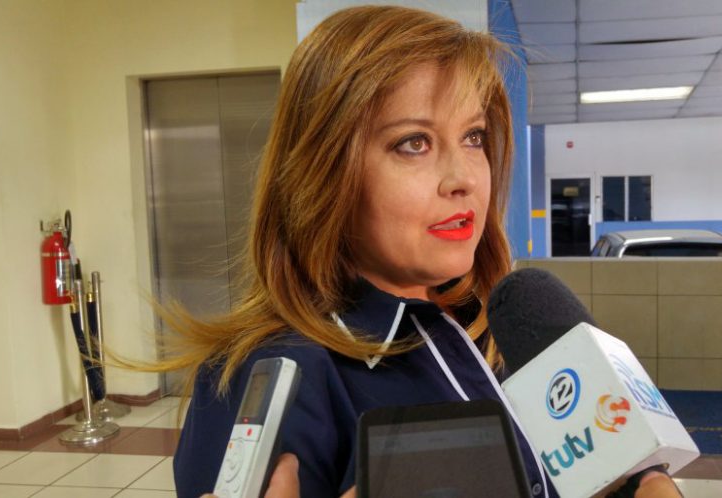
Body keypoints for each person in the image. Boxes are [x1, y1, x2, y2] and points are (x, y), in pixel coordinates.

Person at [169, 6, 680, 498]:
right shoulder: (271, 379)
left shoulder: (494, 329)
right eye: (414, 142)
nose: (464, 179)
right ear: (323, 173)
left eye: (473, 137)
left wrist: (644, 481)